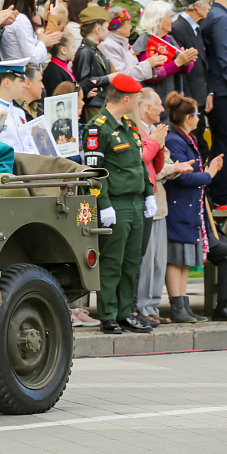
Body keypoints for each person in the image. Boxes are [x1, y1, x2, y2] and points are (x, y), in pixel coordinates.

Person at [82, 75, 155, 334]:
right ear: (126, 99)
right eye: (134, 98)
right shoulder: (97, 127)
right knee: (112, 261)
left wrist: (149, 193)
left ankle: (126, 313)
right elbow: (93, 172)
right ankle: (109, 314)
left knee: (131, 262)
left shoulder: (129, 126)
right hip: (115, 204)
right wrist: (103, 204)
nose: (135, 102)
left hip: (134, 203)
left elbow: (138, 164)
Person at [164, 91, 221, 323]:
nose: (199, 118)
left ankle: (184, 304)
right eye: (196, 114)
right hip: (178, 204)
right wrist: (208, 174)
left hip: (189, 207)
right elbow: (181, 175)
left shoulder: (187, 139)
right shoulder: (174, 140)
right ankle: (177, 305)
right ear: (188, 117)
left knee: (185, 257)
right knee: (176, 257)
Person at [132, 88, 184, 327]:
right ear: (145, 108)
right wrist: (173, 169)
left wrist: (170, 168)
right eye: (158, 105)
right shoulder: (137, 131)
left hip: (160, 203)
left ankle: (151, 306)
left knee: (158, 261)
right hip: (146, 200)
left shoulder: (155, 132)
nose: (163, 110)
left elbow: (165, 163)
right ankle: (141, 307)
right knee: (146, 258)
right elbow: (148, 167)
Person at [202, 0, 227, 204]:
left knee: (222, 143)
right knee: (226, 145)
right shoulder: (222, 19)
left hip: (219, 91)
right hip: (225, 93)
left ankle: (220, 194)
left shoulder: (215, 15)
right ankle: (223, 196)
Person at [131, 0, 198, 105]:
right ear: (159, 20)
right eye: (170, 17)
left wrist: (187, 61)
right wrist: (178, 62)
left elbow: (185, 69)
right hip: (153, 102)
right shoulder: (145, 41)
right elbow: (151, 76)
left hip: (172, 100)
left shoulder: (169, 39)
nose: (172, 21)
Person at [170, 0, 211, 148]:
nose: (209, 7)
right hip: (189, 99)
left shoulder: (195, 28)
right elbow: (180, 68)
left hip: (199, 96)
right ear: (197, 5)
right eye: (207, 3)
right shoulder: (178, 28)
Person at [0, 0, 60, 64]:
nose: (36, 0)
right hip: (22, 73)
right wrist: (43, 42)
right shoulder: (21, 20)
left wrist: (47, 21)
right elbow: (33, 58)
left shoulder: (9, 17)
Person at [73, 6, 117, 118]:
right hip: (92, 106)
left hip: (101, 103)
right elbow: (83, 82)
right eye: (106, 28)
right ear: (98, 29)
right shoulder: (85, 51)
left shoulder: (94, 50)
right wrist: (108, 78)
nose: (108, 31)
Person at [99, 8, 164, 82]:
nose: (131, 27)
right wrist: (148, 64)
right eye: (128, 24)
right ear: (118, 28)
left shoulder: (123, 42)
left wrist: (152, 63)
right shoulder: (107, 45)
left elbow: (133, 67)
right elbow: (121, 75)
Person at [0, 58, 36, 154]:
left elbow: (29, 145)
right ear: (7, 82)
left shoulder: (19, 112)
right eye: (20, 81)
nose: (24, 85)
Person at [43, 32, 77, 98]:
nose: (75, 50)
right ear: (63, 50)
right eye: (73, 47)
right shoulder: (53, 71)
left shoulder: (62, 68)